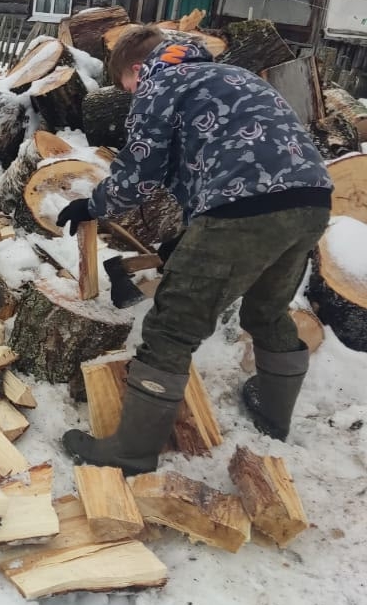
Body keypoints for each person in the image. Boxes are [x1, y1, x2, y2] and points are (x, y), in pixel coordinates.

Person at [57, 25, 332, 473]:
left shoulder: (159, 80)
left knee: (172, 328)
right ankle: (273, 414)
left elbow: (143, 171)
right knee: (265, 312)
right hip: (310, 201)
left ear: (136, 68)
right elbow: (226, 154)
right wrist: (189, 236)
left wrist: (94, 204)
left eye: (125, 86)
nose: (129, 95)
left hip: (243, 207)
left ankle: (131, 452)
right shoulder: (233, 76)